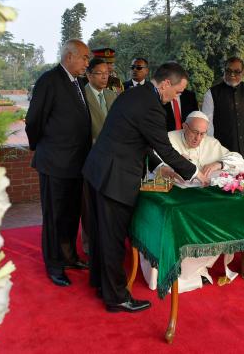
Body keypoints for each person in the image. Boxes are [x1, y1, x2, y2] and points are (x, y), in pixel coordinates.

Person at [83, 62, 207, 313]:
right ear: (165, 84)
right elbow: (164, 147)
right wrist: (195, 173)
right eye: (178, 92)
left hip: (99, 171)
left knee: (101, 233)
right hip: (114, 178)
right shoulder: (151, 106)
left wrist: (162, 167)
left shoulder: (134, 95)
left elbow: (141, 140)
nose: (177, 97)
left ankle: (101, 283)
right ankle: (116, 297)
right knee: (113, 238)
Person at [141, 111, 244, 293]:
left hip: (200, 203)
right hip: (173, 201)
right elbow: (151, 160)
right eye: (194, 132)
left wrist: (218, 164)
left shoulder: (211, 143)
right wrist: (170, 168)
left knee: (218, 222)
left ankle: (196, 270)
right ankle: (171, 273)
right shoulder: (168, 139)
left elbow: (238, 160)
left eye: (202, 134)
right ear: (184, 127)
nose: (198, 138)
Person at [25, 39, 92, 287]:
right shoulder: (49, 80)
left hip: (76, 164)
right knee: (55, 218)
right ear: (69, 56)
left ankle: (69, 257)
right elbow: (33, 120)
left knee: (71, 215)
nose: (87, 62)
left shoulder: (78, 82)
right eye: (84, 57)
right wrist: (42, 147)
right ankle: (54, 265)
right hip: (54, 163)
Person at [80, 58, 117, 255]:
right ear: (89, 75)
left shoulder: (112, 95)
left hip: (112, 159)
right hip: (90, 158)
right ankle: (89, 245)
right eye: (100, 73)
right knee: (88, 205)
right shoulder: (81, 96)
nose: (105, 77)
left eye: (107, 73)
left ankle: (107, 242)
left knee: (108, 204)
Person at [201, 56, 244, 164]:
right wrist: (212, 151)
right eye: (228, 71)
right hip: (222, 155)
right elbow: (208, 125)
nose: (232, 75)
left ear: (243, 72)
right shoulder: (212, 93)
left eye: (236, 72)